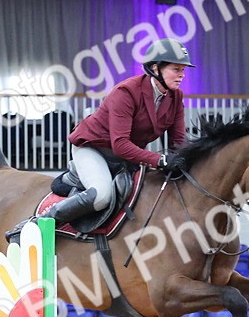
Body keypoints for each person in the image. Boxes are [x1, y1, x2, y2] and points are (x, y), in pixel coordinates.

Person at [44, 37, 193, 227]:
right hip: (93, 148)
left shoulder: (175, 96)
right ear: (155, 68)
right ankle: (42, 222)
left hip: (126, 158)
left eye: (183, 70)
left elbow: (179, 141)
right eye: (176, 69)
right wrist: (160, 160)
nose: (182, 75)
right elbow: (120, 144)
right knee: (101, 196)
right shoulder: (126, 92)